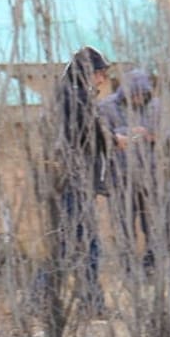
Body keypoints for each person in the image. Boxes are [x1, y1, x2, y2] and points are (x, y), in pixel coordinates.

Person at [54, 45, 121, 316]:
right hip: (76, 179)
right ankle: (91, 304)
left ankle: (42, 297)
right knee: (85, 243)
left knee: (66, 241)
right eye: (100, 73)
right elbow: (88, 135)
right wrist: (114, 140)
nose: (103, 79)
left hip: (72, 178)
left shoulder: (68, 94)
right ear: (88, 73)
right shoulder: (76, 97)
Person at [98, 67, 158, 275]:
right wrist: (127, 134)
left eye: (143, 94)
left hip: (151, 175)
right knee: (123, 223)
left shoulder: (155, 107)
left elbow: (168, 134)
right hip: (119, 176)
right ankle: (128, 268)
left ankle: (152, 265)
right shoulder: (106, 107)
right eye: (135, 94)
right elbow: (100, 136)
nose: (139, 98)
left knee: (153, 222)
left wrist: (151, 135)